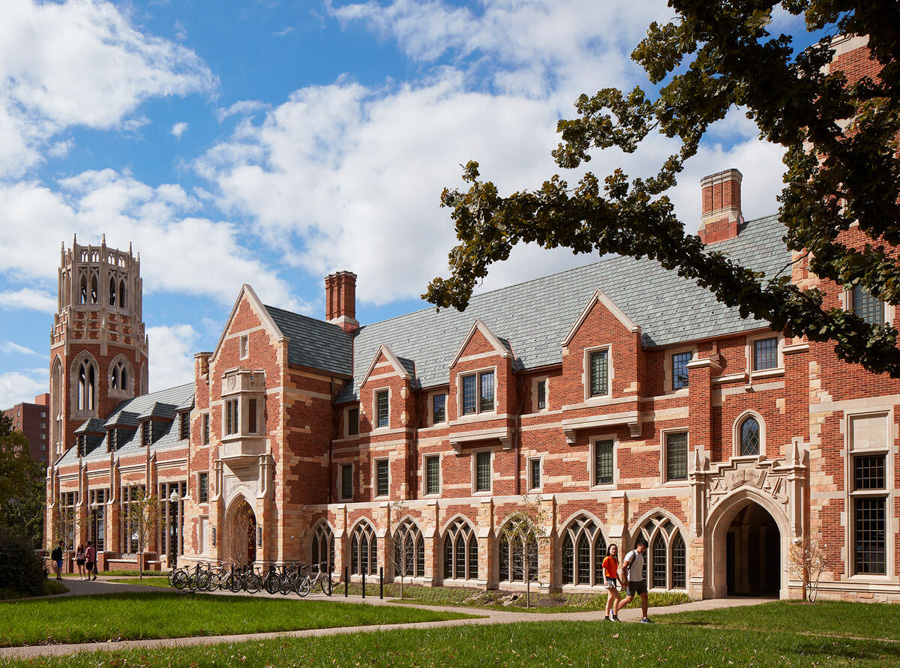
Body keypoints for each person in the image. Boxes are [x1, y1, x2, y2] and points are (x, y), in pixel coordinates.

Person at [615, 538, 652, 623]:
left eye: (645, 548)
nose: (644, 550)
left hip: (640, 580)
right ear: (638, 546)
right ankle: (614, 611)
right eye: (642, 548)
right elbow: (624, 567)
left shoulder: (641, 556)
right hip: (632, 580)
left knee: (645, 596)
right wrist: (626, 579)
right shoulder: (631, 554)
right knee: (629, 599)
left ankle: (644, 618)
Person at [602, 543, 622, 621]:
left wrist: (620, 581)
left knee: (610, 598)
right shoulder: (607, 559)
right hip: (608, 579)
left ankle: (606, 617)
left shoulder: (615, 560)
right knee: (618, 597)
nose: (614, 550)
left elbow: (615, 572)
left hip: (613, 579)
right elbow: (604, 569)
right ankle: (614, 615)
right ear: (609, 550)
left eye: (615, 549)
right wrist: (605, 580)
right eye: (612, 549)